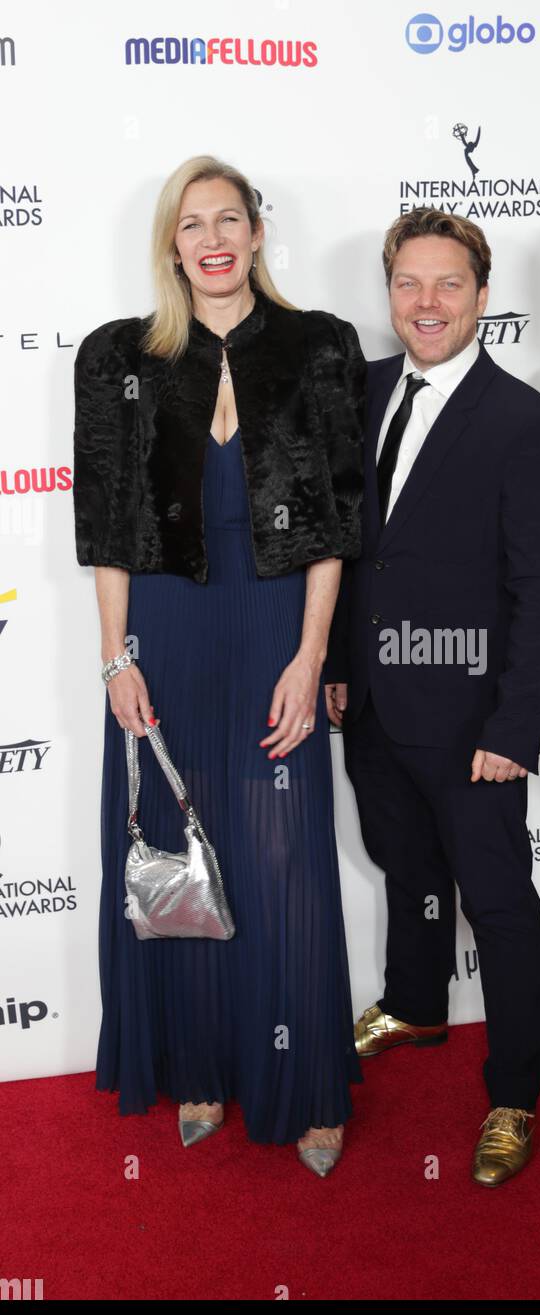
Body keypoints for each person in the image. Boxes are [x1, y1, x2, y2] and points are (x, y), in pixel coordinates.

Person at [72, 154, 365, 1177]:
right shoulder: (118, 355)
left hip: (277, 618)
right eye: (192, 223)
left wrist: (310, 653)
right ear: (171, 243)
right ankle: (199, 1065)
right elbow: (108, 526)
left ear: (254, 230)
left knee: (283, 855)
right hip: (167, 626)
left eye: (228, 217)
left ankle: (306, 1082)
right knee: (181, 849)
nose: (212, 238)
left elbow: (333, 521)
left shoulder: (319, 346)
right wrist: (117, 660)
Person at [323, 208, 540, 1187]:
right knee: (404, 866)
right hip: (377, 701)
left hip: (474, 717)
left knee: (500, 904)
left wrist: (516, 723)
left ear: (481, 295)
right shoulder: (363, 390)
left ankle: (512, 1092)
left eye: (447, 285)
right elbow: (354, 550)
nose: (424, 304)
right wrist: (342, 661)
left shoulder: (524, 419)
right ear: (388, 292)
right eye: (407, 284)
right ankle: (415, 1002)